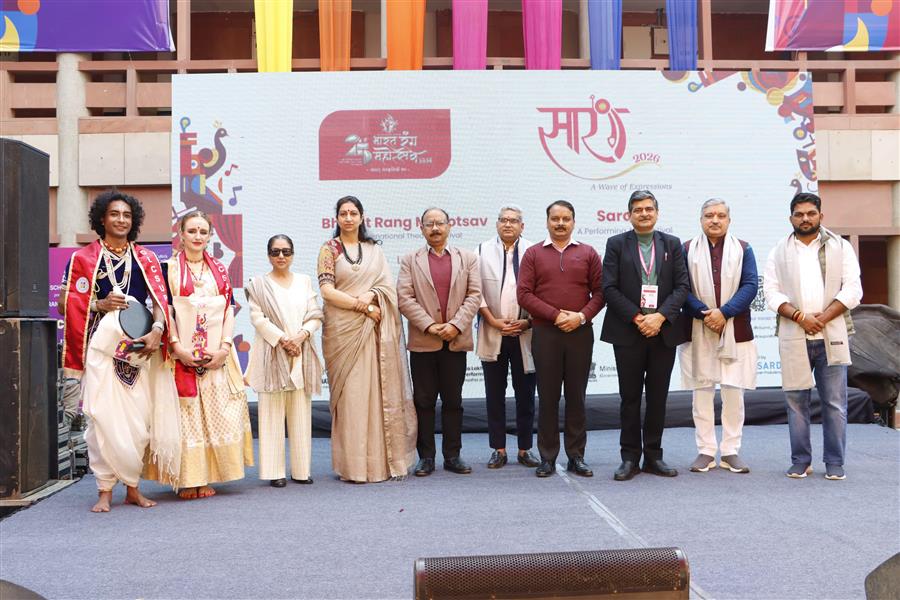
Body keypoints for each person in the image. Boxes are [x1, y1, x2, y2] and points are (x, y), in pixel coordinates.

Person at [60, 189, 180, 512]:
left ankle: (133, 488)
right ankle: (104, 491)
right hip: (100, 352)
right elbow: (64, 303)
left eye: (127, 215)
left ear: (134, 220)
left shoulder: (147, 259)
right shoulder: (83, 259)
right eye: (115, 214)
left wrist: (158, 330)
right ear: (102, 219)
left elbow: (160, 302)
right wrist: (99, 304)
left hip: (138, 352)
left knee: (136, 423)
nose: (121, 219)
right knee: (102, 421)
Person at [145, 210, 254, 498]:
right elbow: (165, 310)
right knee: (186, 416)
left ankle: (206, 478)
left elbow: (229, 308)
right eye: (191, 231)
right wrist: (177, 347)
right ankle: (187, 480)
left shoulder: (219, 269)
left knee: (217, 414)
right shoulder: (169, 269)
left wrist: (225, 347)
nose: (197, 236)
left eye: (203, 232)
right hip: (179, 355)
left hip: (216, 354)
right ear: (180, 234)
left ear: (210, 236)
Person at [318, 196, 417, 483]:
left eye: (353, 213)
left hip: (372, 332)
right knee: (352, 398)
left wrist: (372, 296)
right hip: (343, 332)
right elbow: (327, 291)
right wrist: (363, 307)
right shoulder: (329, 249)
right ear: (337, 218)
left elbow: (386, 286)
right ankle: (353, 467)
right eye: (343, 213)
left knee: (377, 394)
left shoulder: (374, 250)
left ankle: (379, 465)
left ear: (362, 217)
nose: (348, 218)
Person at [764, 192, 862, 480]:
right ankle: (800, 460)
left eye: (811, 213)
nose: (805, 218)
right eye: (799, 214)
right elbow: (771, 293)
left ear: (821, 216)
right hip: (794, 335)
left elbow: (853, 289)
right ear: (791, 218)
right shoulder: (779, 251)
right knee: (796, 402)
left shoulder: (841, 247)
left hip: (831, 334)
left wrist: (822, 318)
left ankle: (834, 462)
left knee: (834, 403)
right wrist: (800, 317)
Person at [601, 190, 690, 481]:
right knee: (629, 398)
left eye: (649, 209)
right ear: (629, 215)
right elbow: (608, 287)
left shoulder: (672, 244)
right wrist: (638, 318)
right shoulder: (616, 244)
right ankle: (629, 458)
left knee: (657, 397)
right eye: (638, 209)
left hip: (662, 331)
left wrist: (660, 317)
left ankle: (653, 456)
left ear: (657, 213)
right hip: (629, 330)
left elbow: (682, 287)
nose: (644, 213)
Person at [517, 200, 604, 478]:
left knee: (577, 396)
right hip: (546, 334)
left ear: (574, 222)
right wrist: (556, 316)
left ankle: (576, 456)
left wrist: (580, 317)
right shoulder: (533, 254)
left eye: (566, 218)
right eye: (555, 218)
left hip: (580, 333)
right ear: (547, 222)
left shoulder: (588, 252)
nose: (560, 223)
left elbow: (601, 293)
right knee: (548, 397)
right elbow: (524, 294)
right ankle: (547, 457)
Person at [398, 207, 482, 476]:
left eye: (440, 223)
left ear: (449, 226)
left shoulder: (468, 258)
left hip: (455, 341)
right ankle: (426, 457)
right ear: (421, 228)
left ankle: (453, 455)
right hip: (424, 342)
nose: (435, 228)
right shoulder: (409, 260)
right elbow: (404, 298)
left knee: (453, 401)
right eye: (429, 224)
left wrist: (455, 325)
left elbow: (474, 295)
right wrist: (431, 325)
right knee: (423, 401)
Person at [679, 199, 758, 474]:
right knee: (701, 391)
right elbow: (681, 287)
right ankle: (705, 450)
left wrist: (724, 313)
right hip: (698, 327)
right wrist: (706, 315)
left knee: (733, 391)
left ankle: (730, 450)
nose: (715, 220)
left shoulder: (744, 249)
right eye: (709, 215)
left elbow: (750, 285)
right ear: (701, 219)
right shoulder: (687, 249)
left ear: (729, 220)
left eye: (721, 215)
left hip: (735, 329)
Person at [245, 235, 323, 488]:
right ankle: (274, 471)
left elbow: (315, 314)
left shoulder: (304, 281)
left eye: (286, 252)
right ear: (268, 255)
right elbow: (258, 319)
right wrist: (283, 340)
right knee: (271, 414)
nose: (281, 256)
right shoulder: (258, 284)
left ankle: (301, 470)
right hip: (272, 353)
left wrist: (300, 337)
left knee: (301, 413)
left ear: (293, 254)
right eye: (275, 252)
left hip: (300, 351)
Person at [476, 205, 539, 469]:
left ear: (522, 226)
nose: (508, 224)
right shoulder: (481, 250)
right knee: (494, 394)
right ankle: (498, 449)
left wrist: (527, 321)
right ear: (497, 224)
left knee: (526, 394)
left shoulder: (535, 251)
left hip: (526, 333)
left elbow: (543, 291)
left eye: (514, 221)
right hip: (494, 331)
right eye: (503, 220)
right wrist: (492, 320)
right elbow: (475, 291)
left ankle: (525, 449)